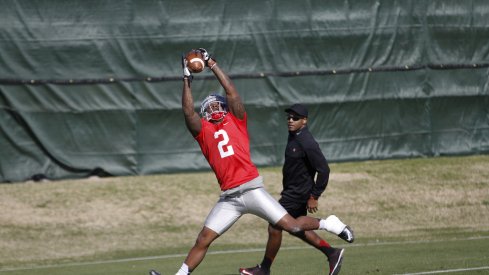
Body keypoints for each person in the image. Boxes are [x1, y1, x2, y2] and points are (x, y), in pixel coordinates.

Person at [149, 48, 354, 275]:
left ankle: (329, 223)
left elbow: (232, 93)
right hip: (229, 197)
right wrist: (186, 77)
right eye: (208, 106)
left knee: (292, 226)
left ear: (225, 108)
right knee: (203, 238)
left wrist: (212, 64)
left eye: (217, 104)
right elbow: (188, 112)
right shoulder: (204, 131)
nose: (213, 107)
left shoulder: (236, 119)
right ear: (205, 114)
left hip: (251, 189)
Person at [238, 104, 354, 275]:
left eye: (295, 118)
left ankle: (265, 269)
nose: (290, 121)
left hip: (298, 194)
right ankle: (332, 254)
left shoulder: (307, 142)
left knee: (275, 226)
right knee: (296, 228)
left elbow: (324, 170)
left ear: (304, 121)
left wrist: (314, 195)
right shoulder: (293, 135)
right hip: (291, 191)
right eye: (289, 117)